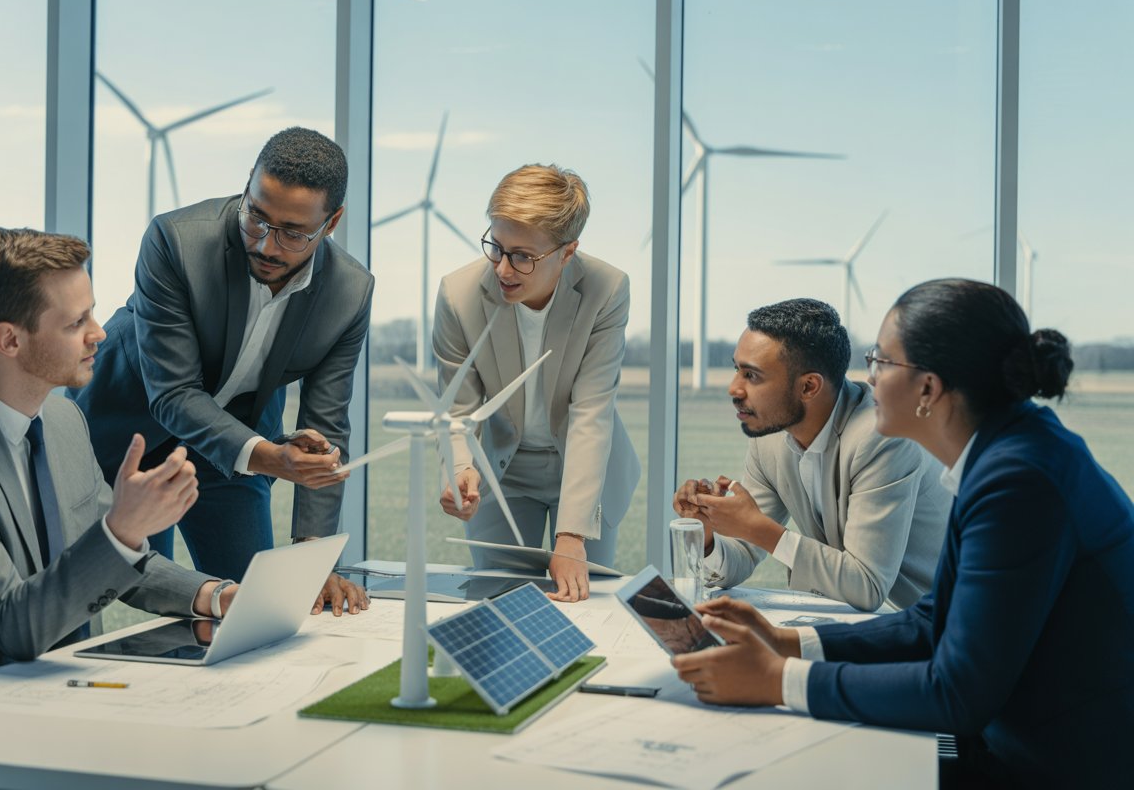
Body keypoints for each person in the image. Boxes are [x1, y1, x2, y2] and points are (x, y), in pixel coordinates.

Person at [672, 279, 1134, 787]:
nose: (867, 380)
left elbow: (954, 694)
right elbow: (933, 619)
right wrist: (787, 642)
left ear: (929, 389)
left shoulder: (1018, 480)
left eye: (882, 362)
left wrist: (778, 681)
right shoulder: (1010, 452)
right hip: (1020, 736)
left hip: (1057, 763)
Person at [71, 127, 371, 613]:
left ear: (331, 222)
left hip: (237, 447)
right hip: (127, 434)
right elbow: (171, 393)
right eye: (257, 217)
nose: (268, 246)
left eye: (294, 233)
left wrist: (313, 555)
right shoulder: (175, 241)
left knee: (256, 606)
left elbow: (328, 425)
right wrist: (272, 458)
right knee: (113, 594)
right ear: (248, 184)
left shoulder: (350, 292)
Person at [0, 228, 232, 690]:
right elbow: (12, 626)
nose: (99, 334)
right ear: (9, 340)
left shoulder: (64, 418)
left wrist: (216, 595)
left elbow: (111, 558)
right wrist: (123, 529)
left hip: (73, 690)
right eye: (75, 322)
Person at [433, 164, 640, 602]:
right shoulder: (457, 293)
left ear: (567, 253)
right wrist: (460, 469)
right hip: (503, 471)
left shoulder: (608, 289)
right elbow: (458, 408)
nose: (503, 269)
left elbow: (591, 411)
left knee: (588, 598)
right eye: (496, 246)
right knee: (498, 601)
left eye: (523, 255)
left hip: (584, 465)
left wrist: (571, 533)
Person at [673, 299, 950, 610]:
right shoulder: (770, 438)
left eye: (751, 376)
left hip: (949, 619)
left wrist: (758, 528)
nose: (733, 389)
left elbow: (866, 586)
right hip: (870, 620)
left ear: (808, 386)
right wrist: (711, 534)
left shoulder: (882, 437)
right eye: (736, 369)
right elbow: (744, 552)